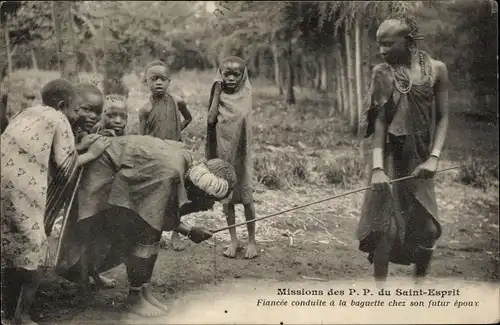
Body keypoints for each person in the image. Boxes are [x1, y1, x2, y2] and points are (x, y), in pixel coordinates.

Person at [55, 135, 236, 317]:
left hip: (124, 167)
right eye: (211, 200)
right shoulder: (169, 174)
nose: (210, 206)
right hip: (103, 170)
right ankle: (134, 297)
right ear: (201, 191)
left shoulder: (189, 164)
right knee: (142, 236)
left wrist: (188, 231)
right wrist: (187, 230)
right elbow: (152, 220)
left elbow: (164, 211)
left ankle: (142, 291)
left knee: (146, 234)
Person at [1, 78, 111, 325]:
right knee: (36, 251)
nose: (75, 116)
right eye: (75, 110)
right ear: (62, 106)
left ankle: (7, 312)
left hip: (5, 187)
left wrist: (78, 146)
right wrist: (92, 153)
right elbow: (63, 168)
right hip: (24, 191)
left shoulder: (26, 113)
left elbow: (44, 153)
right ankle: (23, 315)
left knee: (12, 250)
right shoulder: (59, 119)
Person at [356, 13, 449, 282]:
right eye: (379, 44)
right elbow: (381, 124)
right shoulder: (382, 73)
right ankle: (380, 292)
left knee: (428, 228)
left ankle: (418, 286)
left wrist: (434, 157)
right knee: (385, 229)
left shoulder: (437, 70)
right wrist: (376, 168)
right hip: (388, 156)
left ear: (409, 42)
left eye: (388, 44)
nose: (382, 50)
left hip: (420, 155)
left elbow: (443, 117)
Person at [206, 56, 258, 259]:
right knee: (227, 197)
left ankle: (252, 240)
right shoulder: (219, 94)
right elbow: (211, 120)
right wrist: (217, 91)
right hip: (224, 151)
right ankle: (234, 239)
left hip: (242, 156)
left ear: (243, 76)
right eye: (226, 73)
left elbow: (243, 122)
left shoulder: (246, 94)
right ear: (220, 74)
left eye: (236, 74)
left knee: (247, 199)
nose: (231, 78)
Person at [138, 60, 193, 251]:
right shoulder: (145, 109)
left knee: (176, 194)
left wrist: (177, 133)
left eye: (162, 79)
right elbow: (142, 138)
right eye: (153, 79)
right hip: (155, 156)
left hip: (175, 152)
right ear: (146, 82)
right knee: (156, 195)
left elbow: (188, 118)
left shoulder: (177, 101)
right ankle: (155, 234)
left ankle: (176, 234)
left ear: (169, 81)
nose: (158, 83)